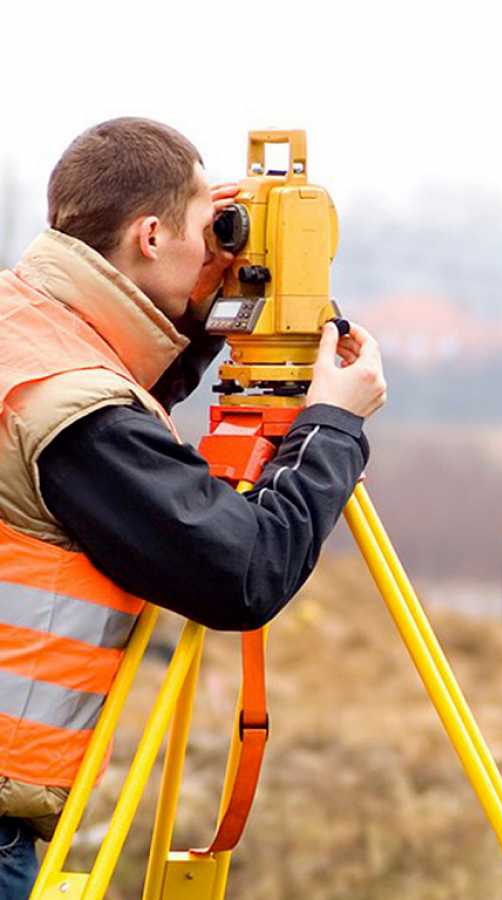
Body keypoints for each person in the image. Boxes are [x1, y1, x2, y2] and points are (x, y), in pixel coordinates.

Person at [0, 117, 387, 896]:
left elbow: (120, 403)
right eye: (205, 229)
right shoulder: (75, 410)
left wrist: (209, 315)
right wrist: (334, 428)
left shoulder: (26, 328)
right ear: (149, 235)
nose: (219, 250)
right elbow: (243, 573)